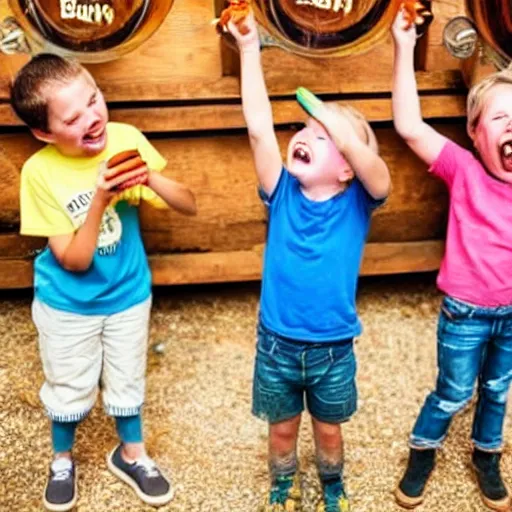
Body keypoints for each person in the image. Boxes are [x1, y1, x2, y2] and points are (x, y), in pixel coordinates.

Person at [12, 53, 197, 511]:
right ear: (44, 133)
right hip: (67, 304)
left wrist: (148, 175)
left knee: (127, 377)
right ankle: (62, 459)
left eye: (94, 99)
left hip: (129, 295)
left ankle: (131, 453)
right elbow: (73, 260)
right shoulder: (40, 172)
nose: (93, 117)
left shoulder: (126, 138)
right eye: (73, 117)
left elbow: (188, 204)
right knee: (69, 384)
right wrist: (101, 196)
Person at [227, 13, 391, 512]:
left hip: (332, 349)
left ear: (345, 167)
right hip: (276, 343)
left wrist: (340, 128)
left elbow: (377, 171)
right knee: (281, 431)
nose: (304, 135)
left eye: (322, 138)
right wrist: (249, 48)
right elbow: (259, 129)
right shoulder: (281, 193)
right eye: (303, 128)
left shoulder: (358, 199)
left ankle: (333, 484)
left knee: (329, 430)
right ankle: (283, 484)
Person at [391, 6, 512, 511]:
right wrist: (403, 47)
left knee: (499, 391)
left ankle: (487, 455)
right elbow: (409, 125)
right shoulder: (464, 170)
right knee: (454, 391)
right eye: (502, 118)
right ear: (475, 133)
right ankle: (423, 451)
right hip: (464, 313)